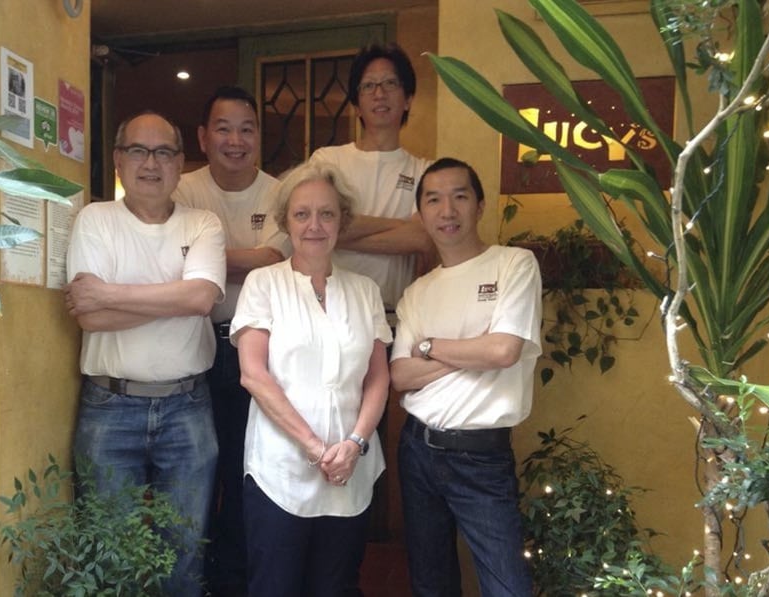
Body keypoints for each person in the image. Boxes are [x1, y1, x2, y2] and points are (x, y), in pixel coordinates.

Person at [64, 111, 227, 597]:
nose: (150, 163)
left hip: (188, 406)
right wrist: (175, 296)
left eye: (163, 152)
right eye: (138, 150)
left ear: (181, 163)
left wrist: (111, 294)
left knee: (184, 548)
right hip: (109, 408)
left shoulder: (204, 223)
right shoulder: (95, 219)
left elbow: (200, 301)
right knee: (109, 551)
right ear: (118, 159)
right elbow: (88, 317)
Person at [231, 161, 391, 597]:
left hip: (351, 468)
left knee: (336, 587)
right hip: (279, 470)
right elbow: (254, 374)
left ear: (343, 221)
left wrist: (354, 444)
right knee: (274, 587)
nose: (314, 225)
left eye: (327, 213)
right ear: (285, 222)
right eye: (302, 214)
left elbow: (378, 378)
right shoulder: (264, 284)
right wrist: (317, 448)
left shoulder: (365, 291)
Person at [390, 158, 542, 596]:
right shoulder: (417, 292)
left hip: (481, 457)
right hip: (418, 449)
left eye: (460, 196)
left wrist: (429, 346)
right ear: (421, 213)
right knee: (431, 583)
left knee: (506, 586)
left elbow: (503, 349)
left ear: (479, 206)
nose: (447, 210)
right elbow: (400, 375)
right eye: (433, 200)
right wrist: (472, 351)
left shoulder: (513, 264)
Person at [172, 85, 288, 596]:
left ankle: (236, 580)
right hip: (192, 343)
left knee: (248, 471)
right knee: (198, 471)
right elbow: (169, 260)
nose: (235, 140)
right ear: (203, 136)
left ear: (258, 137)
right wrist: (244, 258)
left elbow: (277, 261)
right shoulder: (181, 187)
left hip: (259, 348)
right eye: (223, 128)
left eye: (247, 128)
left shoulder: (280, 193)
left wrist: (204, 259)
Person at [309, 42, 434, 310]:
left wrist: (342, 232)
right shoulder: (327, 160)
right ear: (356, 104)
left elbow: (421, 238)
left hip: (394, 316)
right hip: (330, 310)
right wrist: (402, 226)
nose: (379, 93)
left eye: (390, 83)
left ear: (408, 99)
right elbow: (316, 225)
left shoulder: (424, 171)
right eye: (368, 85)